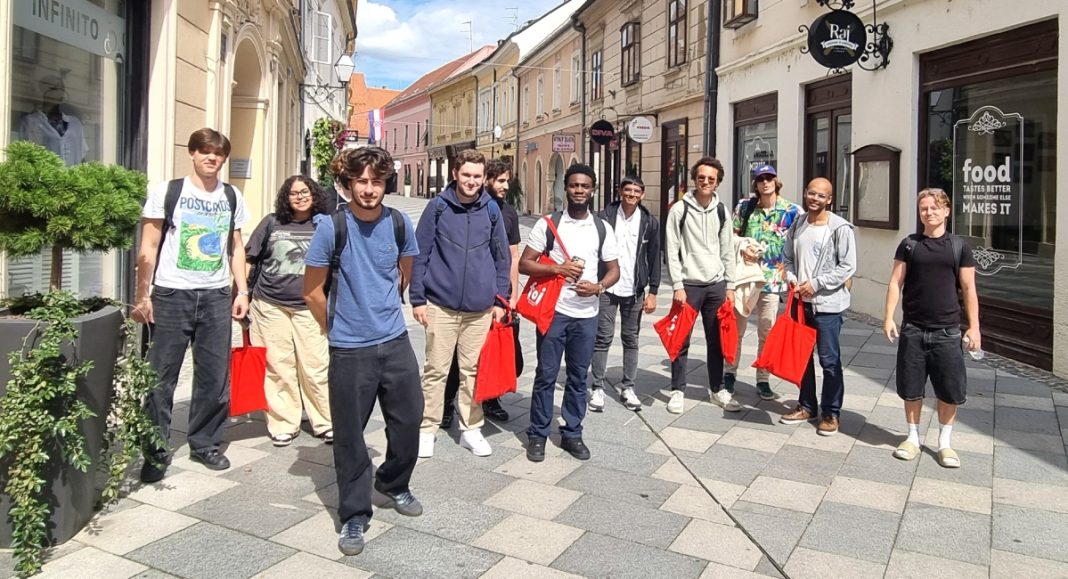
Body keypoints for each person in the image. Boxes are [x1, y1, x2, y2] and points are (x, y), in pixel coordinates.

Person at [303, 146, 423, 556]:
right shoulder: (331, 227)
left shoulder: (399, 223)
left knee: (408, 424)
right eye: (361, 181)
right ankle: (354, 514)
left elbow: (404, 273)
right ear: (348, 183)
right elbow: (312, 291)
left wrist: (385, 309)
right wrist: (336, 329)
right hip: (350, 348)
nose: (369, 189)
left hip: (394, 341)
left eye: (376, 181)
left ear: (385, 183)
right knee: (351, 436)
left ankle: (393, 482)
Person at [133, 128, 250, 482]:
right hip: (171, 294)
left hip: (215, 296)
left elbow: (236, 247)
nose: (211, 158)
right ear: (193, 153)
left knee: (214, 376)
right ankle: (154, 449)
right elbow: (148, 246)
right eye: (205, 152)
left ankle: (205, 443)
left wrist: (241, 291)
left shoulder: (231, 196)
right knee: (160, 377)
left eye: (218, 154)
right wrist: (143, 294)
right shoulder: (168, 192)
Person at [409, 149, 511, 458]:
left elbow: (501, 258)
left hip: (480, 308)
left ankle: (471, 428)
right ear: (455, 174)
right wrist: (417, 298)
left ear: (484, 178)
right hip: (441, 304)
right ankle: (427, 429)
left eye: (477, 176)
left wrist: (500, 300)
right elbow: (420, 253)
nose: (471, 181)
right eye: (466, 175)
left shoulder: (491, 210)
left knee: (473, 370)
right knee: (436, 370)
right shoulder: (437, 207)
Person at [519, 164, 619, 462]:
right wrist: (557, 269)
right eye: (574, 185)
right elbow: (525, 264)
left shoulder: (602, 227)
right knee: (546, 375)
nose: (579, 190)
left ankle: (572, 433)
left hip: (586, 314)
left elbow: (614, 270)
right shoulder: (548, 224)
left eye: (584, 186)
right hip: (554, 312)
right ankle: (537, 433)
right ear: (566, 188)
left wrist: (598, 287)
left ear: (593, 190)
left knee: (578, 377)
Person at [883, 188, 980, 468]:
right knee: (911, 387)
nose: (929, 213)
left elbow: (969, 287)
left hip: (947, 331)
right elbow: (895, 282)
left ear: (947, 211)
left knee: (949, 389)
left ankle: (945, 443)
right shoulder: (910, 244)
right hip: (913, 328)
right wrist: (889, 317)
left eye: (935, 208)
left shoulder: (959, 247)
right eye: (924, 208)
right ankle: (912, 437)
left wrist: (974, 327)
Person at [244, 176, 333, 447]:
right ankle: (284, 422)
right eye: (294, 193)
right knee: (279, 365)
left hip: (310, 307)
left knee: (316, 365)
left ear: (314, 194)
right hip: (270, 305)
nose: (300, 197)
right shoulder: (272, 222)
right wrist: (241, 294)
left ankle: (325, 421)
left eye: (304, 192)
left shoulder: (325, 224)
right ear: (286, 197)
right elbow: (250, 258)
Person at [441, 158, 522, 427]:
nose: (505, 186)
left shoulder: (507, 212)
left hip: (497, 295)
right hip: (469, 294)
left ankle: (490, 399)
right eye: (500, 180)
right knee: (457, 354)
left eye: (506, 180)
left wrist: (512, 294)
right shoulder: (471, 207)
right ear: (487, 180)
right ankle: (447, 402)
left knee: (493, 351)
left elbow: (511, 255)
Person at [780, 177, 857, 435]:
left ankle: (831, 413)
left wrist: (816, 283)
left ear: (830, 199)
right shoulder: (799, 224)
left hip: (827, 305)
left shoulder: (840, 228)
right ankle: (806, 405)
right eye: (811, 193)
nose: (815, 199)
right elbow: (787, 258)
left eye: (821, 196)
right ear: (805, 194)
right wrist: (792, 279)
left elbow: (847, 266)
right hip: (801, 303)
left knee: (830, 361)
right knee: (802, 356)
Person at [663, 157, 737, 414]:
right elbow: (671, 251)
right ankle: (677, 390)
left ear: (717, 183)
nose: (706, 182)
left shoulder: (722, 211)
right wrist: (677, 285)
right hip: (689, 285)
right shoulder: (679, 210)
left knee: (716, 340)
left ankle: (717, 390)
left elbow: (728, 250)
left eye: (711, 179)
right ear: (694, 179)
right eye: (702, 177)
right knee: (680, 339)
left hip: (716, 285)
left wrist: (731, 286)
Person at [725, 164, 802, 401]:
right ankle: (729, 373)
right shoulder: (745, 207)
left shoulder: (792, 211)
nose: (765, 183)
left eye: (769, 178)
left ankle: (763, 378)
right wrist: (742, 248)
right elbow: (732, 236)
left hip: (773, 280)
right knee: (736, 329)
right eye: (760, 179)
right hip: (746, 277)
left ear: (776, 181)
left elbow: (799, 245)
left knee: (766, 330)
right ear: (756, 184)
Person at [588, 175, 660, 412]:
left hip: (634, 288)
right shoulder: (604, 217)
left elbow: (654, 257)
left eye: (636, 191)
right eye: (627, 190)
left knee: (631, 339)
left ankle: (628, 387)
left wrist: (653, 291)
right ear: (620, 191)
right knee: (603, 338)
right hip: (608, 287)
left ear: (642, 194)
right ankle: (597, 387)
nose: (631, 194)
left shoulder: (649, 221)